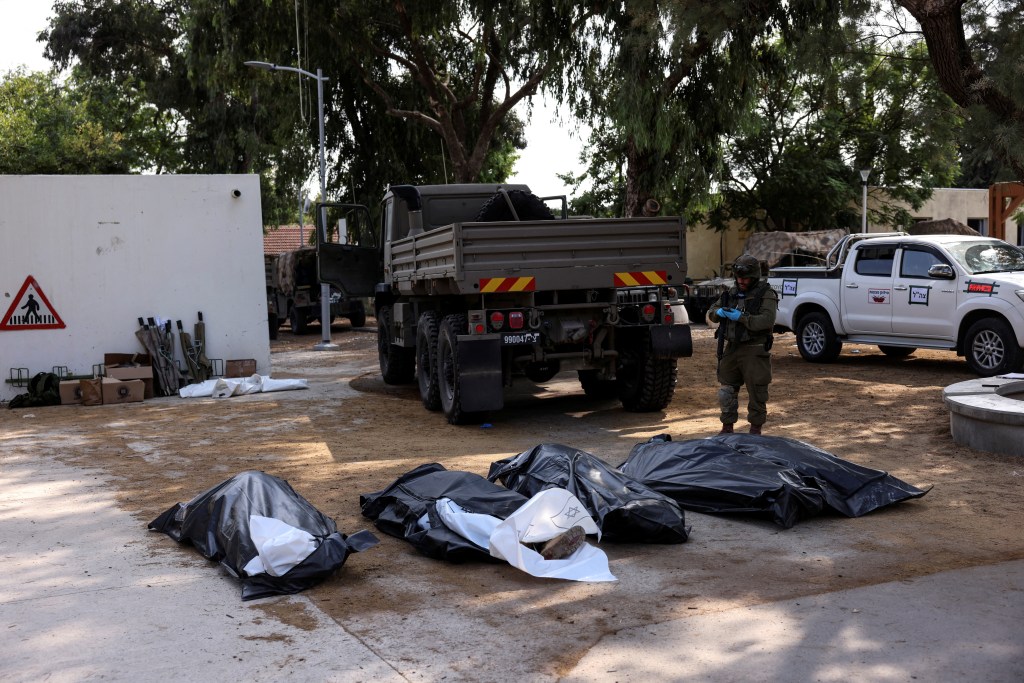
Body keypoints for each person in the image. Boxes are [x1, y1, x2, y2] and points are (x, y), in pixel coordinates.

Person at [708, 254, 778, 435]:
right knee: (726, 391)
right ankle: (727, 428)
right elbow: (712, 312)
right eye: (738, 277)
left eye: (745, 278)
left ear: (754, 276)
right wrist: (720, 312)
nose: (741, 281)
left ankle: (755, 430)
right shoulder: (731, 293)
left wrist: (742, 318)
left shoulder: (766, 293)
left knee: (757, 392)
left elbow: (767, 320)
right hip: (732, 348)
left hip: (755, 349)